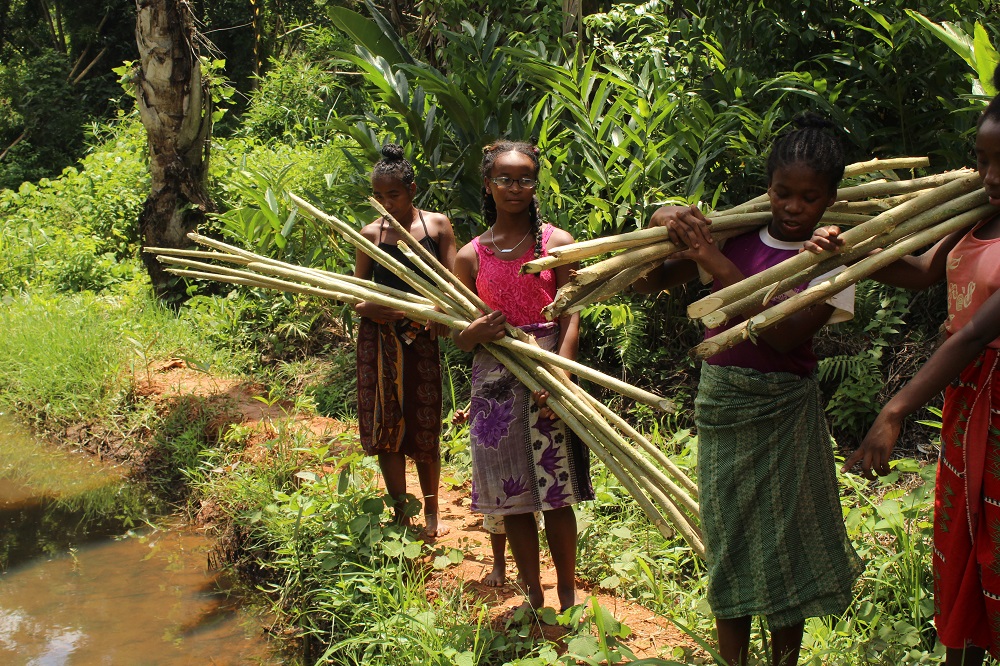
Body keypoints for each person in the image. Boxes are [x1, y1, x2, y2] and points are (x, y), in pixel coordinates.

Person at [634, 115, 863, 666]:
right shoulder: (736, 233)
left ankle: (784, 660)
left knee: (787, 545)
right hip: (725, 404)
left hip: (784, 410)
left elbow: (784, 335)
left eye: (809, 197)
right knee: (730, 540)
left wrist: (714, 264)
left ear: (831, 198)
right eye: (783, 192)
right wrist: (665, 218)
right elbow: (650, 280)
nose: (792, 206)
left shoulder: (834, 260)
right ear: (768, 186)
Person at [831, 66, 1000, 666]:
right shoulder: (976, 218)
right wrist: (845, 253)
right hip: (966, 403)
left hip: (997, 402)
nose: (990, 177)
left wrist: (895, 409)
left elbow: (978, 332)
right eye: (982, 160)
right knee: (962, 540)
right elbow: (921, 272)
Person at [452, 139, 593, 612]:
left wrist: (562, 372)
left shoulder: (558, 244)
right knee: (512, 496)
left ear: (536, 184)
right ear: (488, 185)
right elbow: (455, 335)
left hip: (551, 373)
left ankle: (568, 593)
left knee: (558, 492)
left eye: (525, 178)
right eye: (505, 179)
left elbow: (573, 312)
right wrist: (474, 331)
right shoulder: (471, 256)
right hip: (494, 382)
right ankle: (533, 593)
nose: (516, 187)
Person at [354, 143, 457, 538]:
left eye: (393, 195)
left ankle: (432, 513)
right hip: (378, 340)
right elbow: (355, 292)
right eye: (379, 196)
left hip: (421, 336)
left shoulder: (437, 226)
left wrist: (444, 313)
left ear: (412, 190)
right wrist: (369, 309)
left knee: (425, 423)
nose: (385, 203)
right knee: (387, 426)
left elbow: (453, 280)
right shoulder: (370, 233)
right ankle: (400, 513)